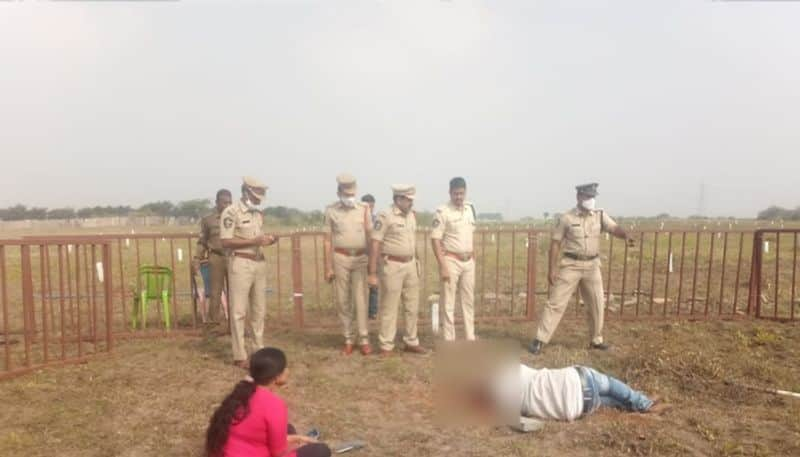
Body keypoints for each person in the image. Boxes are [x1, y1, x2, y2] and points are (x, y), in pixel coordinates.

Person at [528, 183, 632, 355]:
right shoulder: (567, 218)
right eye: (587, 197)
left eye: (593, 197)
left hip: (592, 266)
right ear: (579, 197)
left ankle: (596, 340)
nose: (590, 201)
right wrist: (551, 269)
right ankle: (540, 339)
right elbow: (555, 244)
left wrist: (625, 236)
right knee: (556, 302)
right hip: (571, 265)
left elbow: (613, 228)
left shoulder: (599, 215)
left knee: (597, 303)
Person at [205, 347, 332, 457]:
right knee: (321, 450)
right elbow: (278, 452)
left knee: (288, 428)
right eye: (285, 367)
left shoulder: (241, 393)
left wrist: (296, 438)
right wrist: (297, 440)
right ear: (277, 376)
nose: (288, 370)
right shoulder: (274, 405)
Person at [487, 363, 668, 423]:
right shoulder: (514, 371)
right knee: (609, 385)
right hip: (578, 381)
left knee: (603, 399)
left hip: (577, 408)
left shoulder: (511, 409)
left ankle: (635, 405)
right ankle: (642, 403)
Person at [221, 177, 277, 369]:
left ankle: (258, 349)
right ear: (245, 191)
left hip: (259, 263)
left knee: (259, 310)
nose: (260, 198)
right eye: (256, 194)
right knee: (238, 311)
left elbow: (257, 237)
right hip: (241, 262)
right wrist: (254, 242)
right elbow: (226, 241)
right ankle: (239, 354)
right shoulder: (231, 212)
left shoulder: (258, 213)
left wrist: (269, 239)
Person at [368, 185, 426, 356]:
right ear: (398, 199)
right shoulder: (385, 216)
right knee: (389, 307)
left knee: (412, 306)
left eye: (412, 199)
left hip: (410, 265)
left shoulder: (412, 216)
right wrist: (372, 272)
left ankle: (411, 340)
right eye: (408, 199)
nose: (411, 202)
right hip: (392, 266)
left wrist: (417, 263)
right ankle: (386, 345)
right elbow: (375, 242)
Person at [323, 174, 372, 356]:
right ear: (339, 192)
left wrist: (373, 264)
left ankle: (364, 339)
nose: (350, 196)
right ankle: (348, 338)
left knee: (361, 299)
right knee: (343, 299)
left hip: (360, 258)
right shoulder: (331, 211)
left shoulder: (364, 208)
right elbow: (327, 240)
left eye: (352, 193)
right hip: (340, 258)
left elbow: (369, 235)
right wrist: (328, 267)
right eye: (346, 193)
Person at [431, 177, 477, 342]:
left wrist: (474, 257)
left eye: (461, 193)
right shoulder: (443, 212)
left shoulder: (470, 208)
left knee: (468, 300)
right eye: (456, 194)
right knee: (448, 302)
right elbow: (435, 239)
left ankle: (470, 336)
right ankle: (449, 339)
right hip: (451, 260)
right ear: (450, 193)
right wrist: (442, 265)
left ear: (466, 192)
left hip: (469, 261)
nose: (459, 197)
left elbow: (471, 234)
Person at [193, 189, 233, 334]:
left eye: (230, 202)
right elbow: (202, 241)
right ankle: (213, 326)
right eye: (224, 202)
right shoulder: (208, 220)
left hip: (233, 257)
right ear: (217, 203)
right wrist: (197, 258)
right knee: (215, 293)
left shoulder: (235, 218)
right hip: (215, 257)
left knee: (236, 293)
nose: (227, 205)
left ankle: (236, 325)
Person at [361, 194, 379, 320]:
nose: (369, 208)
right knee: (359, 284)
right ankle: (360, 309)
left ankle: (372, 311)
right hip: (360, 255)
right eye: (367, 206)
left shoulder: (377, 220)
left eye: (371, 206)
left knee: (374, 284)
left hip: (373, 255)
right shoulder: (357, 220)